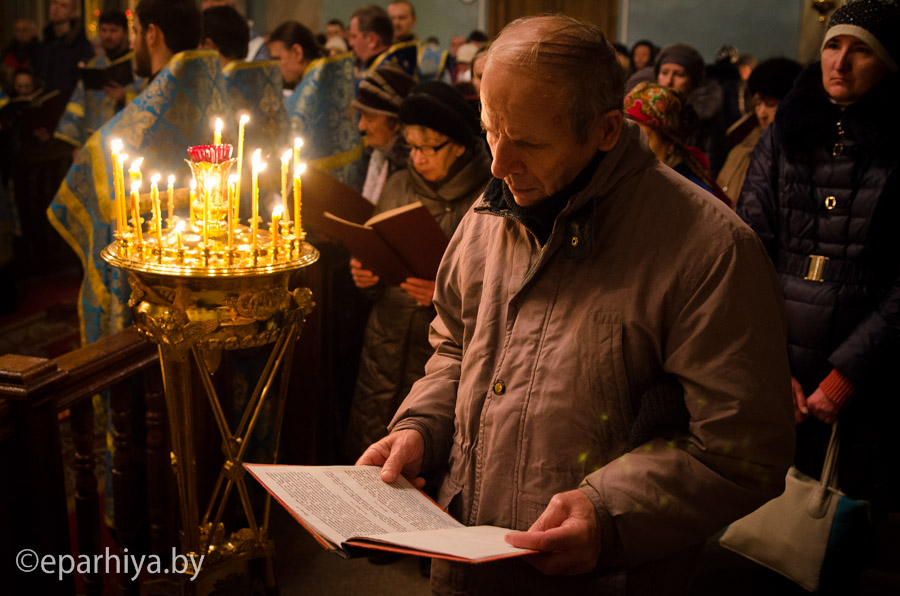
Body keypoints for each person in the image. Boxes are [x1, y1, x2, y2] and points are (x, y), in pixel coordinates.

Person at [356, 14, 794, 595]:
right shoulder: (489, 214)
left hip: (603, 575)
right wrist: (421, 428)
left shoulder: (710, 249)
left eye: (529, 142)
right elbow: (456, 348)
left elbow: (741, 450)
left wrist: (609, 514)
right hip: (467, 562)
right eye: (490, 131)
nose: (498, 164)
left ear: (606, 130)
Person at [738, 2, 900, 587]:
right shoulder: (788, 130)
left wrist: (847, 375)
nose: (841, 62)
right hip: (781, 347)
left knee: (845, 535)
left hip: (869, 361)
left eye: (861, 50)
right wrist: (770, 362)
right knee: (764, 525)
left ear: (889, 64)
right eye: (833, 45)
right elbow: (750, 245)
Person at [345, 81, 491, 463]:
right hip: (384, 343)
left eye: (428, 148)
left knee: (416, 461)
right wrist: (367, 278)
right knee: (369, 449)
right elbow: (379, 253)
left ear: (458, 145)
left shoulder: (487, 197)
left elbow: (495, 294)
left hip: (437, 357)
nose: (418, 158)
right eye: (411, 147)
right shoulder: (398, 185)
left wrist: (442, 298)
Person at [270, 20, 364, 189]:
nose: (276, 67)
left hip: (322, 187)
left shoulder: (315, 87)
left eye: (278, 58)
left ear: (297, 52)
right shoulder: (325, 76)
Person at [624, 82, 730, 206]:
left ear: (670, 144)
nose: (628, 144)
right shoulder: (627, 179)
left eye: (640, 136)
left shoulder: (693, 199)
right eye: (625, 133)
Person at [55, 8, 144, 151]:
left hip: (128, 145)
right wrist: (75, 146)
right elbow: (77, 105)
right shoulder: (93, 66)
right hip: (94, 144)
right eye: (104, 30)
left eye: (114, 31)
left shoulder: (139, 67)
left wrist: (126, 97)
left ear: (126, 33)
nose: (108, 36)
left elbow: (151, 105)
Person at [717, 57, 800, 204]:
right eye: (757, 104)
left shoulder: (798, 160)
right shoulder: (740, 151)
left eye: (770, 104)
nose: (761, 114)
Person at [655, 42, 728, 177]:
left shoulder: (705, 117)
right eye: (664, 73)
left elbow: (709, 173)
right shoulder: (649, 112)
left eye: (679, 74)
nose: (668, 81)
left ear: (693, 80)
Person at [353, 65, 415, 204]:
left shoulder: (413, 170)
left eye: (369, 118)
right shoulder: (372, 156)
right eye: (361, 116)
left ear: (396, 122)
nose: (361, 126)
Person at [32, 0, 94, 101]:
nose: (56, 8)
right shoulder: (44, 45)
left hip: (70, 102)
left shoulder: (81, 46)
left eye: (63, 6)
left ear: (73, 13)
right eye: (54, 3)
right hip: (46, 102)